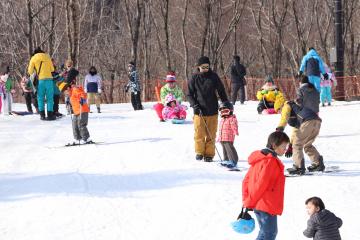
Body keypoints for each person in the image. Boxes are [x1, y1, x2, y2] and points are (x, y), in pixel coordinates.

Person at [242, 131, 290, 240]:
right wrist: (249, 201)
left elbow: (246, 181)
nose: (285, 149)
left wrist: (248, 200)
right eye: (283, 146)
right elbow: (261, 184)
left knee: (265, 232)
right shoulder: (270, 161)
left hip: (258, 203)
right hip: (266, 204)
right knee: (270, 233)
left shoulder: (260, 159)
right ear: (274, 145)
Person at [187, 56, 229, 162]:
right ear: (199, 67)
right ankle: (199, 152)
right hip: (199, 111)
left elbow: (221, 90)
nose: (205, 68)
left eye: (207, 66)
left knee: (211, 133)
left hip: (212, 110)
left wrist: (225, 102)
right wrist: (194, 105)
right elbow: (189, 94)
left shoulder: (214, 77)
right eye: (203, 67)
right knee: (199, 133)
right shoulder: (194, 78)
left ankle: (209, 154)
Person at [276, 100, 324, 175]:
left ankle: (298, 167)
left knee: (297, 145)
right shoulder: (297, 109)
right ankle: (318, 164)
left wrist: (280, 127)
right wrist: (291, 144)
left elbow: (284, 117)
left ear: (280, 107)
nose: (279, 113)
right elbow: (296, 130)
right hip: (317, 122)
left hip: (307, 122)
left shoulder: (286, 105)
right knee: (307, 145)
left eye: (278, 110)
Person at [28, 47, 56, 120]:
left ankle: (42, 115)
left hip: (41, 81)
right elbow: (52, 69)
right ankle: (50, 115)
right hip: (49, 80)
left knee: (40, 98)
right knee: (50, 98)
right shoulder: (47, 56)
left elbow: (30, 71)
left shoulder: (33, 58)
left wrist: (35, 69)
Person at [65, 71, 92, 144]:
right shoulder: (70, 91)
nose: (68, 87)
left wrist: (82, 99)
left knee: (81, 124)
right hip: (76, 111)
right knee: (74, 125)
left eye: (69, 84)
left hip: (82, 110)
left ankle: (86, 139)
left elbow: (83, 94)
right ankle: (77, 138)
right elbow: (72, 98)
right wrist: (68, 101)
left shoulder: (76, 88)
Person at [217, 102, 239, 169]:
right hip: (222, 138)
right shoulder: (222, 120)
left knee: (229, 149)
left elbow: (234, 125)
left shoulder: (232, 118)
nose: (224, 113)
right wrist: (219, 137)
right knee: (224, 149)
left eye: (226, 111)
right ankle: (226, 160)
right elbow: (220, 129)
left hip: (228, 137)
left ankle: (233, 161)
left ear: (231, 111)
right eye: (222, 112)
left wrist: (235, 131)